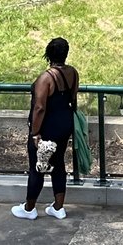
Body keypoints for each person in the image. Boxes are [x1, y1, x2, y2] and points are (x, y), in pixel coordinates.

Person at [12, 37, 78, 221]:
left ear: (48, 54)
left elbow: (40, 108)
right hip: (64, 126)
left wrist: (35, 133)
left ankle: (29, 208)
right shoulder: (73, 73)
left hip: (46, 129)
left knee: (37, 167)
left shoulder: (46, 78)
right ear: (66, 53)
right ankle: (58, 207)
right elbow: (73, 97)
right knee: (58, 164)